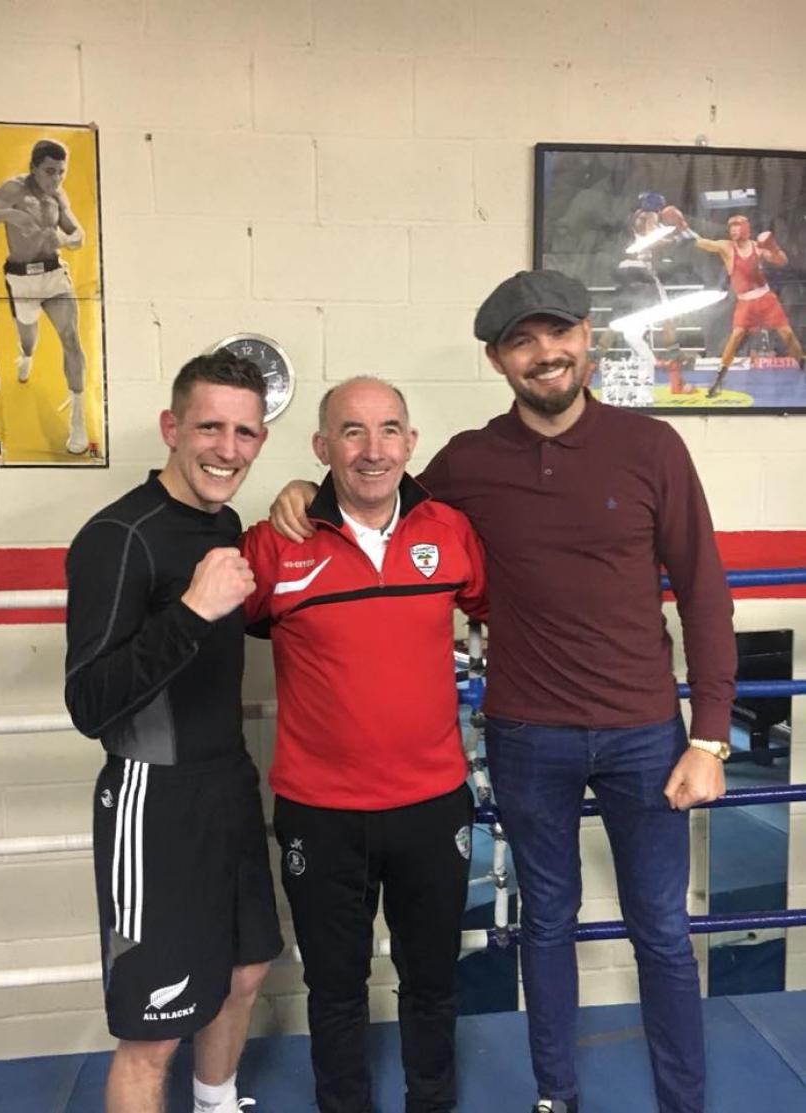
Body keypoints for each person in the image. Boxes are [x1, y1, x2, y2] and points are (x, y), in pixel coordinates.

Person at [268, 272, 737, 1113]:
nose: (544, 353)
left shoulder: (651, 446)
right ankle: (554, 1093)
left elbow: (704, 589)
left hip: (644, 733)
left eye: (557, 333)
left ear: (587, 336)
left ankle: (684, 1102)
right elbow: (376, 500)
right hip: (526, 734)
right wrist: (300, 497)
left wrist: (707, 737)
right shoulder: (465, 464)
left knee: (662, 932)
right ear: (497, 358)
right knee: (546, 924)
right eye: (522, 341)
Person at [241, 376, 487, 1113]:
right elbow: (210, 626)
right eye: (351, 431)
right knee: (336, 986)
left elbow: (502, 608)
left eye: (388, 430)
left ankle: (431, 1102)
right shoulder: (273, 542)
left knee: (433, 979)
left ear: (411, 444)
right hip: (320, 812)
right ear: (321, 447)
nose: (371, 449)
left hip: (432, 803)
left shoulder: (450, 531)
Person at [64, 351, 283, 1113]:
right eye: (210, 427)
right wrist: (189, 612)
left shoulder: (221, 521)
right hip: (150, 794)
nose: (228, 448)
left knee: (246, 968)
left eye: (245, 432)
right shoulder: (119, 536)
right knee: (152, 1030)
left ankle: (217, 1102)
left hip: (224, 781)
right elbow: (89, 701)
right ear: (171, 427)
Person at [0, 138, 90, 454]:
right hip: (21, 279)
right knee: (28, 337)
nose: (56, 179)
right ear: (34, 168)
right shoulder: (14, 188)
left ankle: (78, 417)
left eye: (61, 172)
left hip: (54, 275)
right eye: (50, 171)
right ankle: (26, 354)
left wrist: (66, 238)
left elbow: (78, 234)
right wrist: (9, 215)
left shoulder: (58, 195)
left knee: (71, 338)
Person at [666, 209, 805, 397]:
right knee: (735, 337)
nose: (733, 230)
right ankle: (718, 380)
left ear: (746, 229)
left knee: (787, 335)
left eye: (737, 226)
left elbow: (781, 261)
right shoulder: (727, 247)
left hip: (765, 299)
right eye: (731, 227)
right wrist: (683, 228)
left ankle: (803, 365)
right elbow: (702, 243)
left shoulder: (757, 247)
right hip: (745, 302)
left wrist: (774, 248)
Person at [597, 191, 696, 395]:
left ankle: (588, 370)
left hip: (626, 270)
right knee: (668, 321)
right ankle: (677, 383)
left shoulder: (635, 217)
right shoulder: (650, 216)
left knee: (619, 323)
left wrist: (678, 233)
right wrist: (678, 239)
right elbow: (653, 239)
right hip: (642, 271)